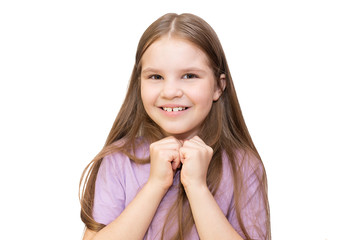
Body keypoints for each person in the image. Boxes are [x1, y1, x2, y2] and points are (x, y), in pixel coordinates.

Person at [80, 13, 271, 240]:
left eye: (189, 75)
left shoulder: (244, 166)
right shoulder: (118, 160)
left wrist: (197, 187)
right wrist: (155, 185)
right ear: (139, 82)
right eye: (156, 77)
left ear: (218, 87)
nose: (170, 91)